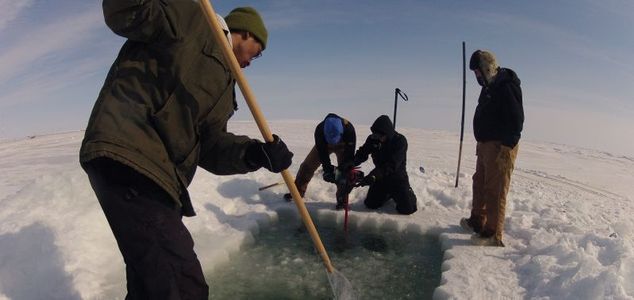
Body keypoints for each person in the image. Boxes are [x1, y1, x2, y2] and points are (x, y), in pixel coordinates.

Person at [80, 4, 293, 299]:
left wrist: (254, 154)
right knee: (182, 287)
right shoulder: (192, 19)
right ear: (245, 31)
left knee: (151, 286)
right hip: (132, 155)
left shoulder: (224, 86)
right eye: (258, 51)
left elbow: (210, 146)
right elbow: (125, 11)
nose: (253, 61)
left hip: (162, 178)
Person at [460, 50, 524, 247]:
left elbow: (516, 119)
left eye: (478, 72)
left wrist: (507, 146)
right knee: (479, 182)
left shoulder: (506, 86)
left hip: (500, 146)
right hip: (485, 144)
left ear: (487, 68)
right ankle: (478, 220)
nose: (476, 77)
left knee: (495, 190)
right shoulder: (489, 87)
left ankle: (492, 233)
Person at [284, 113, 356, 209]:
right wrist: (327, 169)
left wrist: (344, 168)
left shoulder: (349, 129)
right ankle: (297, 193)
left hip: (344, 146)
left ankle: (342, 200)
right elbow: (322, 153)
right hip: (324, 145)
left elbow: (349, 156)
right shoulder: (320, 130)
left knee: (345, 173)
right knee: (307, 166)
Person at [353, 115, 417, 215]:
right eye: (375, 135)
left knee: (407, 209)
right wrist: (351, 163)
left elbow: (392, 164)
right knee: (370, 204)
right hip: (381, 179)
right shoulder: (372, 139)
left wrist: (373, 176)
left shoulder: (400, 141)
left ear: (387, 133)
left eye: (380, 136)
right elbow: (362, 153)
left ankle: (408, 193)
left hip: (397, 178)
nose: (378, 138)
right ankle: (388, 195)